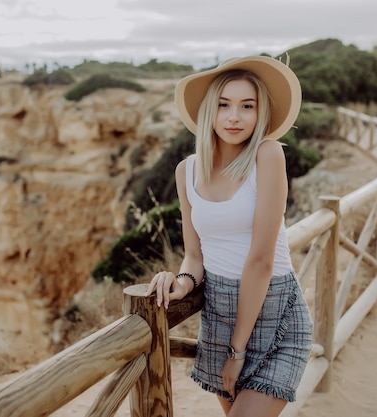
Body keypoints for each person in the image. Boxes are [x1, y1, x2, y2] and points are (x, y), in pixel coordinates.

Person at [144, 56, 313, 417]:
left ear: (260, 113)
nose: (234, 117)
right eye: (224, 105)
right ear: (210, 111)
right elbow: (195, 255)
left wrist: (237, 352)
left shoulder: (267, 156)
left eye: (246, 106)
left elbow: (261, 260)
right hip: (219, 316)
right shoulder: (186, 171)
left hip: (274, 311)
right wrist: (182, 282)